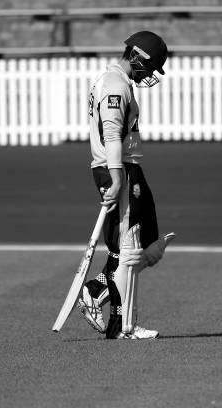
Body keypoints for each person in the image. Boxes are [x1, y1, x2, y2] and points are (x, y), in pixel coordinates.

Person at [76, 31, 174, 340]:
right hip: (117, 168)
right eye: (151, 66)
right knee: (129, 248)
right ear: (137, 56)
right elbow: (112, 133)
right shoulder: (115, 85)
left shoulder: (116, 81)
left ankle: (96, 290)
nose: (150, 74)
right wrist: (118, 176)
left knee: (143, 245)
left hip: (127, 167)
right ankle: (122, 326)